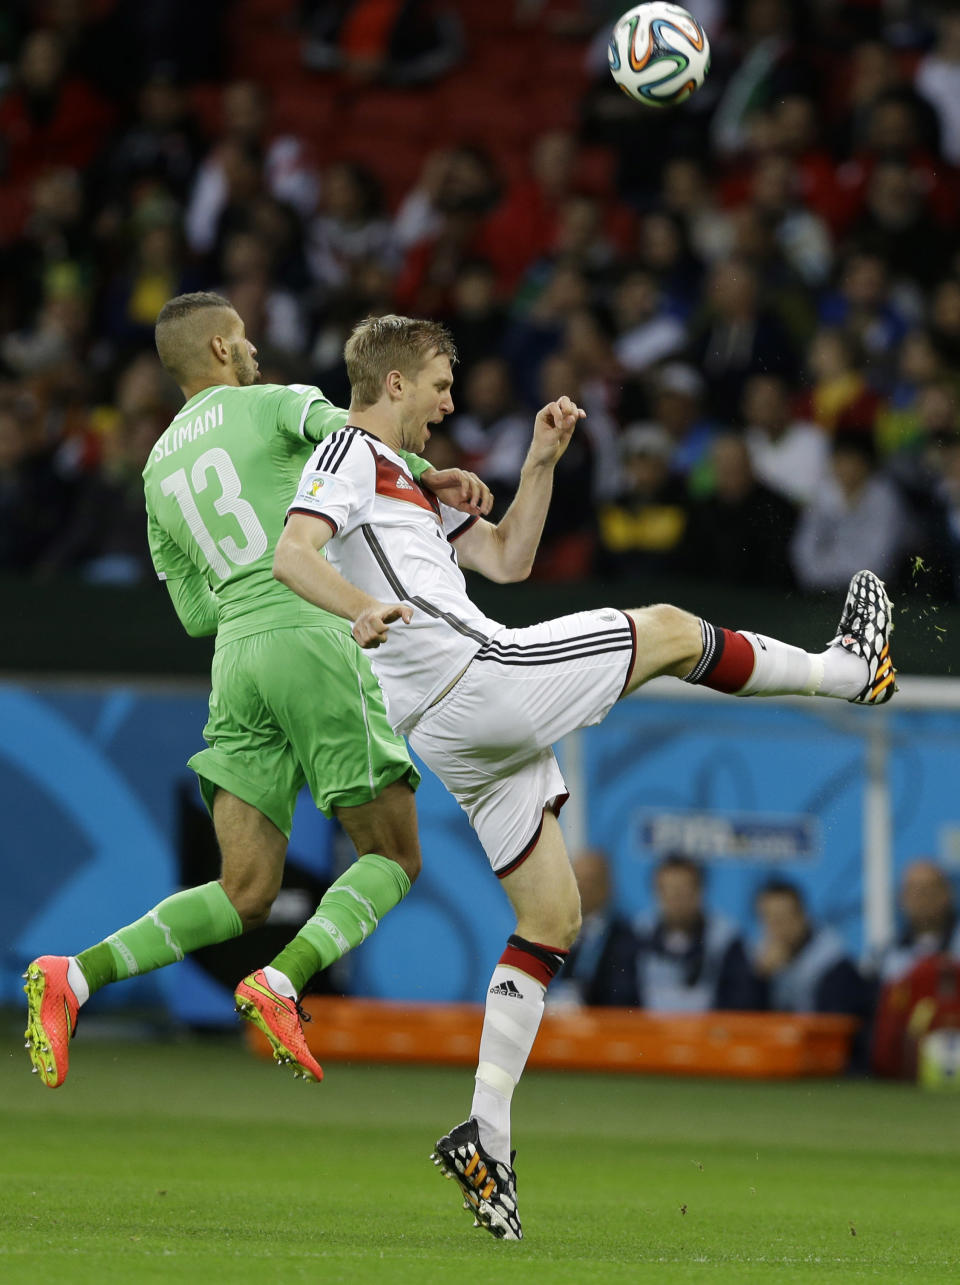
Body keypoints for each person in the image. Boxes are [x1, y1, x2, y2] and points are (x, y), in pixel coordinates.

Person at [273, 313, 898, 1240]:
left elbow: (511, 560)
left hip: (454, 724)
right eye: (441, 383)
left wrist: (538, 464)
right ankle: (849, 671)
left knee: (554, 918)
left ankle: (486, 1134)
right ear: (394, 382)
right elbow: (292, 551)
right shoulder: (348, 453)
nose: (450, 401)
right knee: (675, 628)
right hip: (473, 678)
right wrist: (363, 608)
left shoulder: (413, 485)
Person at [22, 291, 490, 1090]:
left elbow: (196, 610)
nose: (254, 352)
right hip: (314, 630)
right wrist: (426, 471)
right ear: (215, 353)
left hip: (237, 658)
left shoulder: (156, 470)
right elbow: (354, 438)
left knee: (242, 890)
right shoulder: (273, 404)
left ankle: (75, 974)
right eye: (241, 340)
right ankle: (281, 980)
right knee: (395, 853)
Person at [631, 854, 761, 1013]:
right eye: (668, 890)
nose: (675, 899)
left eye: (683, 890)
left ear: (700, 890)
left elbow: (739, 1002)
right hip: (649, 1033)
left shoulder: (725, 937)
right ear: (656, 892)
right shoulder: (637, 933)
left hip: (707, 1034)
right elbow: (622, 997)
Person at [753, 880, 872, 1018]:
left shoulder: (834, 965)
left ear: (803, 916)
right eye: (769, 919)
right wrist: (759, 980)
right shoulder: (758, 961)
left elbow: (833, 1025)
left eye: (784, 917)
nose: (778, 927)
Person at [551, 848, 638, 1008]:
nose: (581, 888)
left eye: (590, 881)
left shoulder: (623, 937)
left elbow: (622, 996)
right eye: (576, 879)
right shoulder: (555, 932)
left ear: (607, 886)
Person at [875, 859, 960, 985]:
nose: (922, 897)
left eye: (930, 888)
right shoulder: (887, 959)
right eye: (914, 890)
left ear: (947, 894)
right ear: (902, 899)